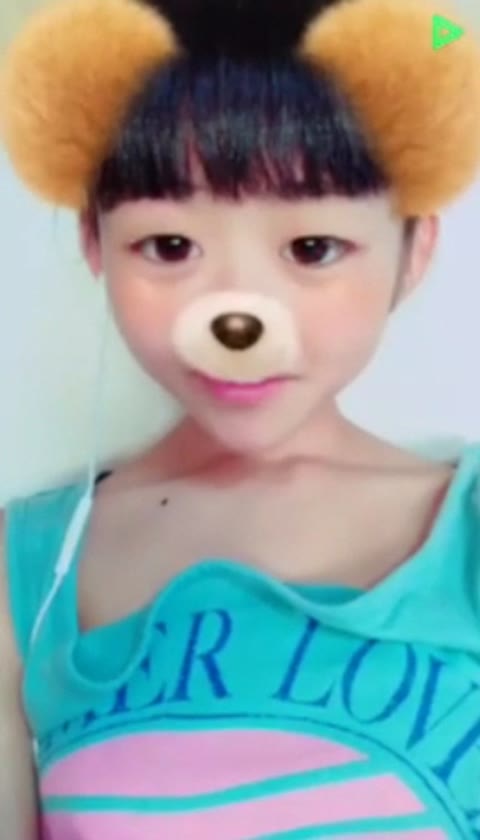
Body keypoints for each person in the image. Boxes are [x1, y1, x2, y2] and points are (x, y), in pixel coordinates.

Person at [1, 0, 480, 836]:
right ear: (95, 245)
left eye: (312, 249)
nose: (237, 316)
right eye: (170, 247)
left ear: (416, 251)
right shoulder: (27, 575)